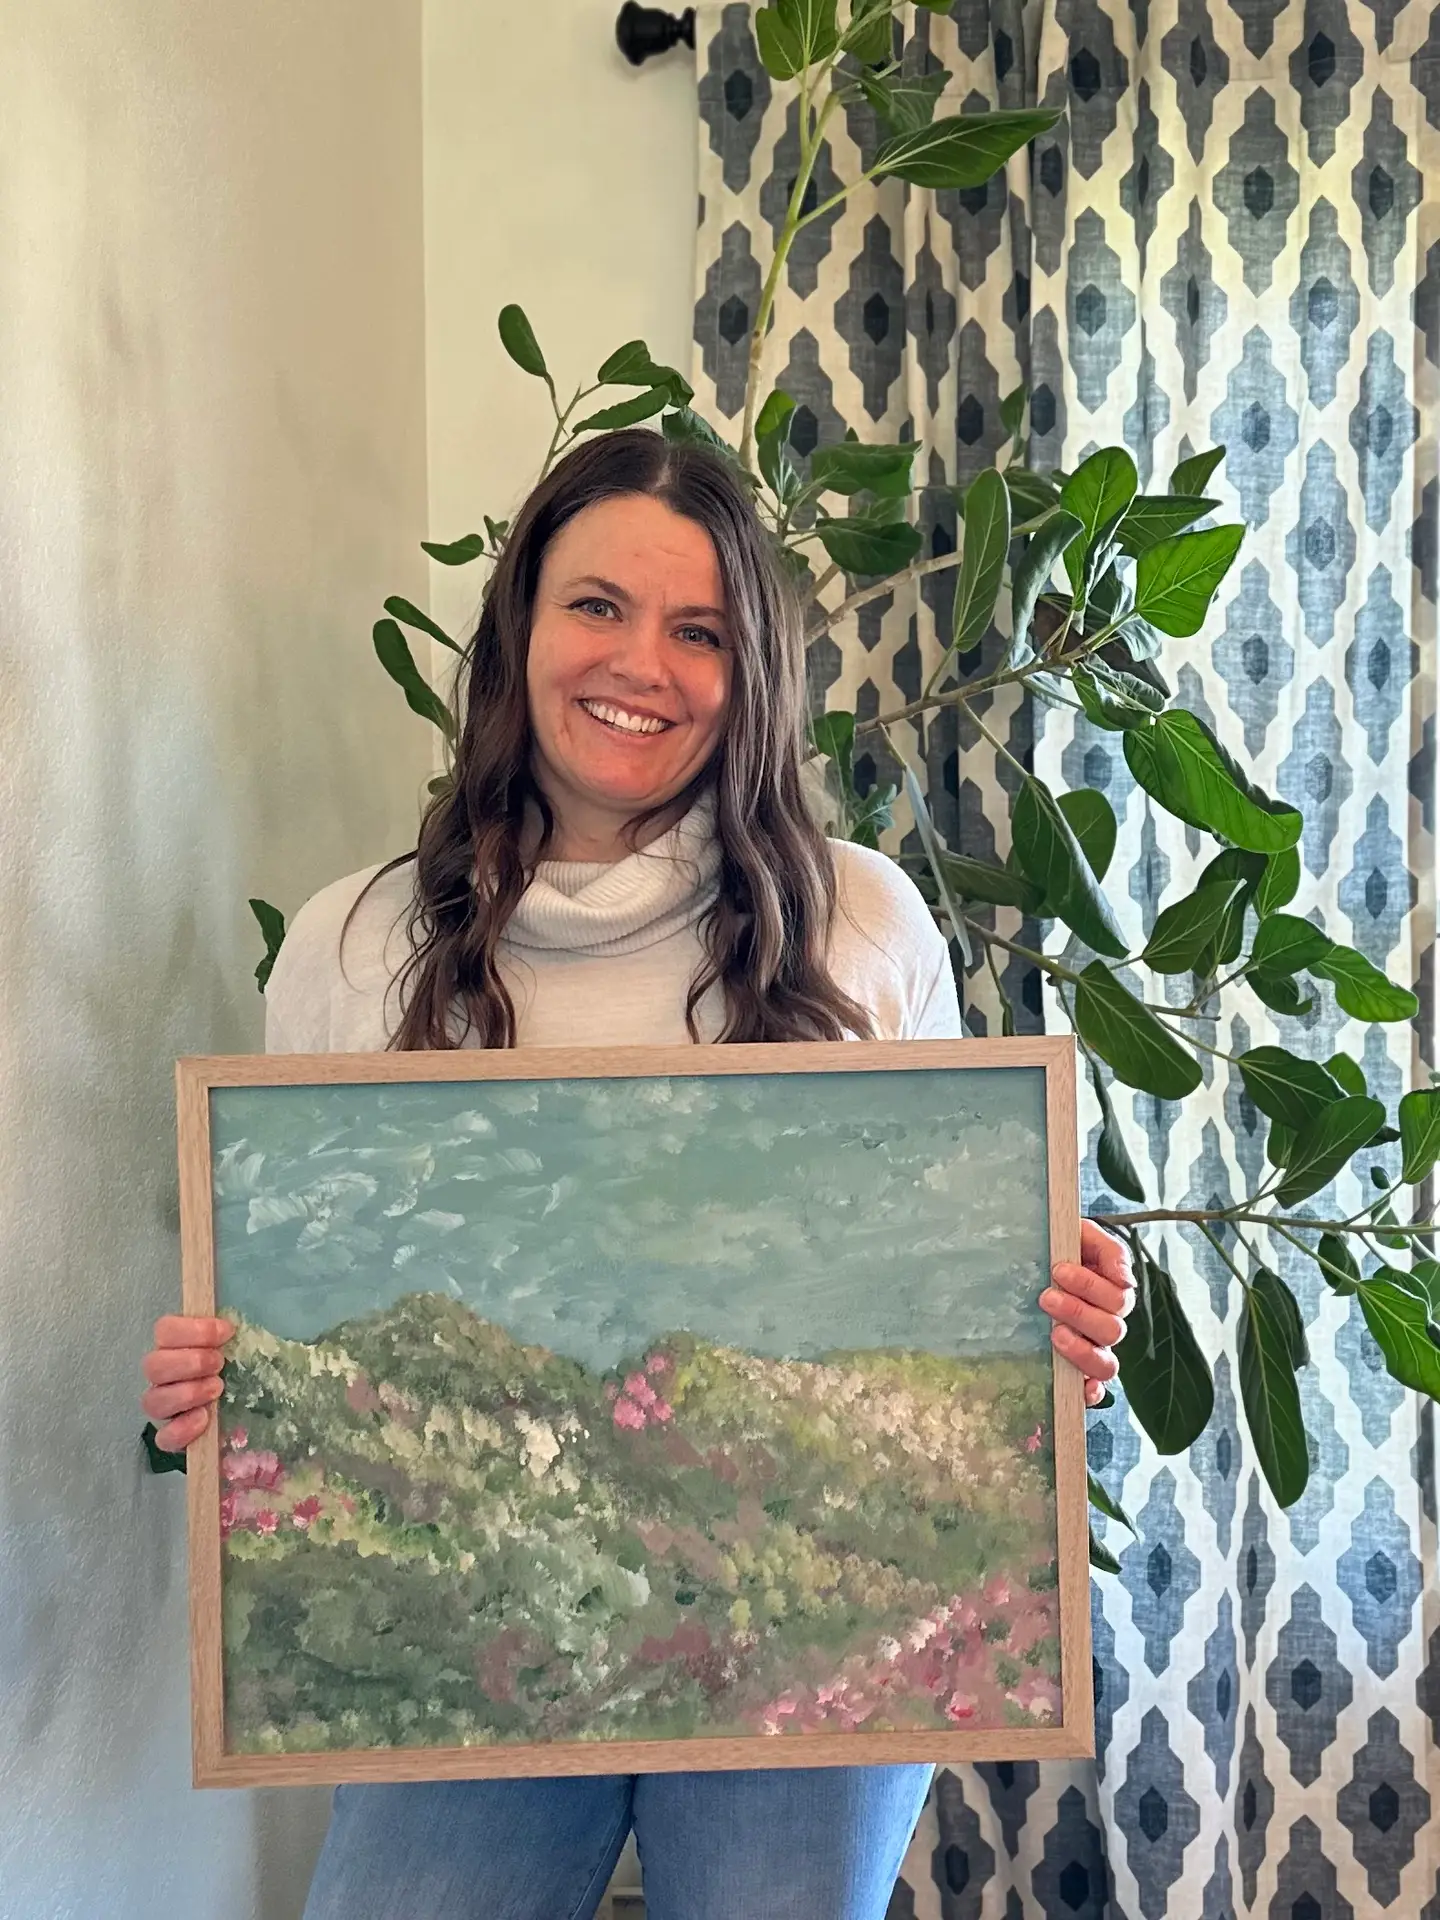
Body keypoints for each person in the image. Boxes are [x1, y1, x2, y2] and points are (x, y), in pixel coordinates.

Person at [142, 428, 1134, 1920]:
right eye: (597, 605)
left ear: (755, 677)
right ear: (521, 625)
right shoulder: (356, 947)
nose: (641, 666)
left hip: (811, 1638)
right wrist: (215, 1386)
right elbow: (298, 1295)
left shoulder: (859, 924)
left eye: (701, 631)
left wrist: (1056, 1304)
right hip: (465, 1620)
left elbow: (956, 1251)